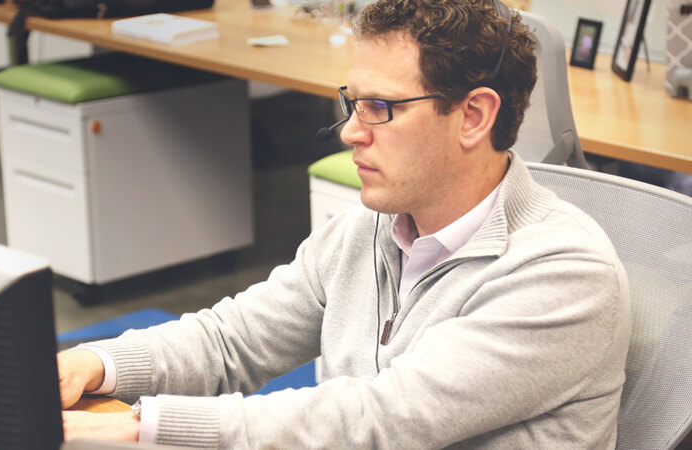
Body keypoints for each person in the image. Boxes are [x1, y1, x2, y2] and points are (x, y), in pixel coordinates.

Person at [59, 0, 632, 447]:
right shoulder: (369, 227)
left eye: (381, 108)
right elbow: (233, 340)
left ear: (474, 116)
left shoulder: (565, 276)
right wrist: (97, 363)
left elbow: (381, 422)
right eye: (352, 103)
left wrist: (139, 428)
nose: (352, 132)